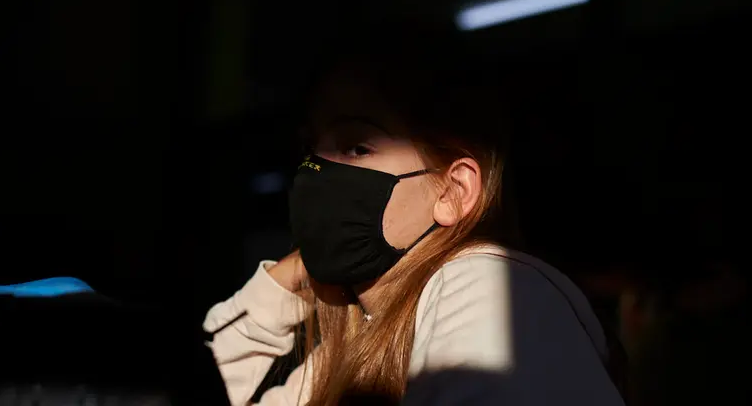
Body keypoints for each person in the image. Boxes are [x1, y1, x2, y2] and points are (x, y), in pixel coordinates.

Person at [202, 29, 625, 405]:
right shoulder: (341, 357)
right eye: (312, 148)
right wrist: (290, 275)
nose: (315, 171)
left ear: (454, 191)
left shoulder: (487, 282)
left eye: (356, 147)